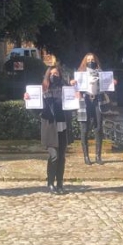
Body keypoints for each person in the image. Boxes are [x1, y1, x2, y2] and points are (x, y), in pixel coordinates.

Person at [27, 65, 72, 195]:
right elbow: (36, 111)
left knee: (62, 157)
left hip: (62, 126)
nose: (54, 76)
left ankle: (60, 184)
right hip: (49, 127)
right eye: (51, 74)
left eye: (56, 74)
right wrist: (29, 101)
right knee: (54, 156)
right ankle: (50, 183)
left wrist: (76, 97)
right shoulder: (42, 90)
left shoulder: (65, 89)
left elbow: (72, 106)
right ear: (47, 76)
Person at [73, 53, 110, 165]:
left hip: (97, 101)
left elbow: (106, 86)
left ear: (96, 60)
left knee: (98, 128)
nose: (90, 61)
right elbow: (74, 89)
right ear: (85, 61)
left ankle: (98, 156)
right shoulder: (80, 73)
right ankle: (86, 156)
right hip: (85, 101)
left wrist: (111, 83)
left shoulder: (101, 72)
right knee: (84, 129)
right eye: (88, 59)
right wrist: (73, 84)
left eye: (92, 59)